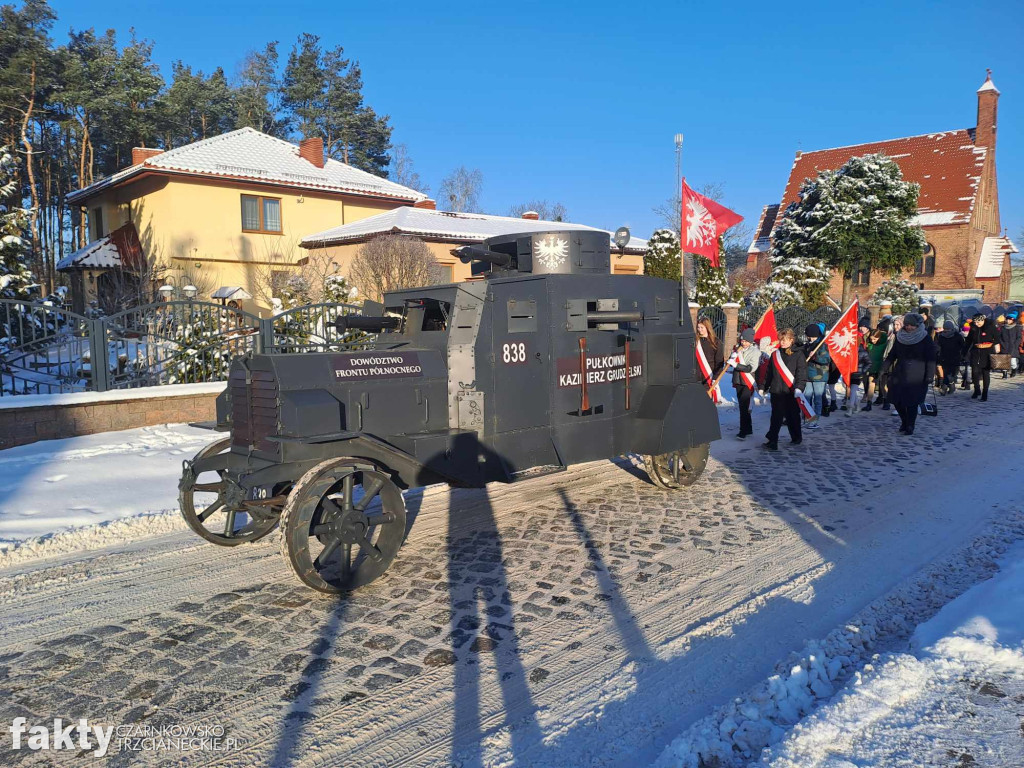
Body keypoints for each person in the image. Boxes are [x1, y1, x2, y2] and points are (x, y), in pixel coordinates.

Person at [884, 313, 937, 436]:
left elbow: (931, 358)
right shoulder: (900, 336)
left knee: (912, 402)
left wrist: (930, 375)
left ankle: (910, 425)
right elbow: (892, 355)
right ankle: (904, 421)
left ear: (918, 325)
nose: (909, 327)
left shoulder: (925, 338)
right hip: (900, 372)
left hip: (918, 374)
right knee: (896, 400)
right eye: (907, 325)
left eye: (912, 325)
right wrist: (884, 368)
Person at [762, 328, 807, 451]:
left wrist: (799, 388)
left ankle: (796, 437)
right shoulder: (775, 354)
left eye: (785, 340)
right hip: (776, 390)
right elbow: (769, 373)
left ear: (791, 340)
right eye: (781, 340)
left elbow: (801, 373)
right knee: (776, 417)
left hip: (791, 391)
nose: (782, 342)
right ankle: (773, 441)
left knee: (793, 416)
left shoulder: (799, 354)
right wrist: (763, 387)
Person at [730, 328, 761, 439]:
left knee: (744, 406)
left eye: (746, 341)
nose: (743, 343)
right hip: (738, 380)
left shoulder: (755, 352)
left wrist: (736, 365)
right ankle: (748, 428)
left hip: (748, 381)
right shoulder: (737, 349)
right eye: (742, 341)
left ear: (751, 341)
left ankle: (743, 431)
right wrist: (732, 358)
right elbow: (731, 362)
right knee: (743, 406)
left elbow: (751, 368)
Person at [964, 312, 1001, 401]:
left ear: (983, 320)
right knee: (975, 372)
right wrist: (964, 351)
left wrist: (992, 344)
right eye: (975, 322)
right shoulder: (973, 327)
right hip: (976, 351)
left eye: (978, 322)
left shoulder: (990, 326)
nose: (977, 324)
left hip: (987, 352)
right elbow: (969, 340)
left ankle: (985, 393)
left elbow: (997, 338)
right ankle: (977, 390)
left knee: (985, 373)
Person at [802, 323, 830, 428]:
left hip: (820, 375)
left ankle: (815, 420)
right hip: (808, 374)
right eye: (809, 336)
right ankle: (807, 418)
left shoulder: (822, 345)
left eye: (811, 336)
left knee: (817, 398)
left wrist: (815, 356)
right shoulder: (808, 344)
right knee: (806, 397)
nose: (810, 338)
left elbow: (826, 360)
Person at [935, 320, 965, 395]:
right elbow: (938, 347)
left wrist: (962, 355)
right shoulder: (941, 336)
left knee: (952, 374)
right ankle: (948, 387)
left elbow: (963, 346)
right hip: (944, 357)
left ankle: (946, 387)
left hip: (955, 357)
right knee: (946, 374)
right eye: (945, 329)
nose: (947, 331)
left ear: (952, 329)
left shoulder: (957, 336)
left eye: (948, 329)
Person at [695, 317, 724, 392]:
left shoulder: (716, 342)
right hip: (695, 377)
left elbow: (719, 362)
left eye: (702, 327)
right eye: (698, 327)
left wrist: (715, 378)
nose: (699, 329)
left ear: (707, 327)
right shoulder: (694, 341)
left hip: (708, 377)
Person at [1000, 312, 1021, 379]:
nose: (1008, 321)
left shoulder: (1017, 328)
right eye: (1007, 319)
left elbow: (1019, 337)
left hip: (1013, 347)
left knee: (1013, 362)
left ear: (1013, 320)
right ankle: (1004, 374)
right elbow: (999, 337)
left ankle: (1014, 370)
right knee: (1004, 362)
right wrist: (1002, 343)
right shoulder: (1003, 328)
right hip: (1004, 346)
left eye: (1010, 319)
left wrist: (1016, 344)